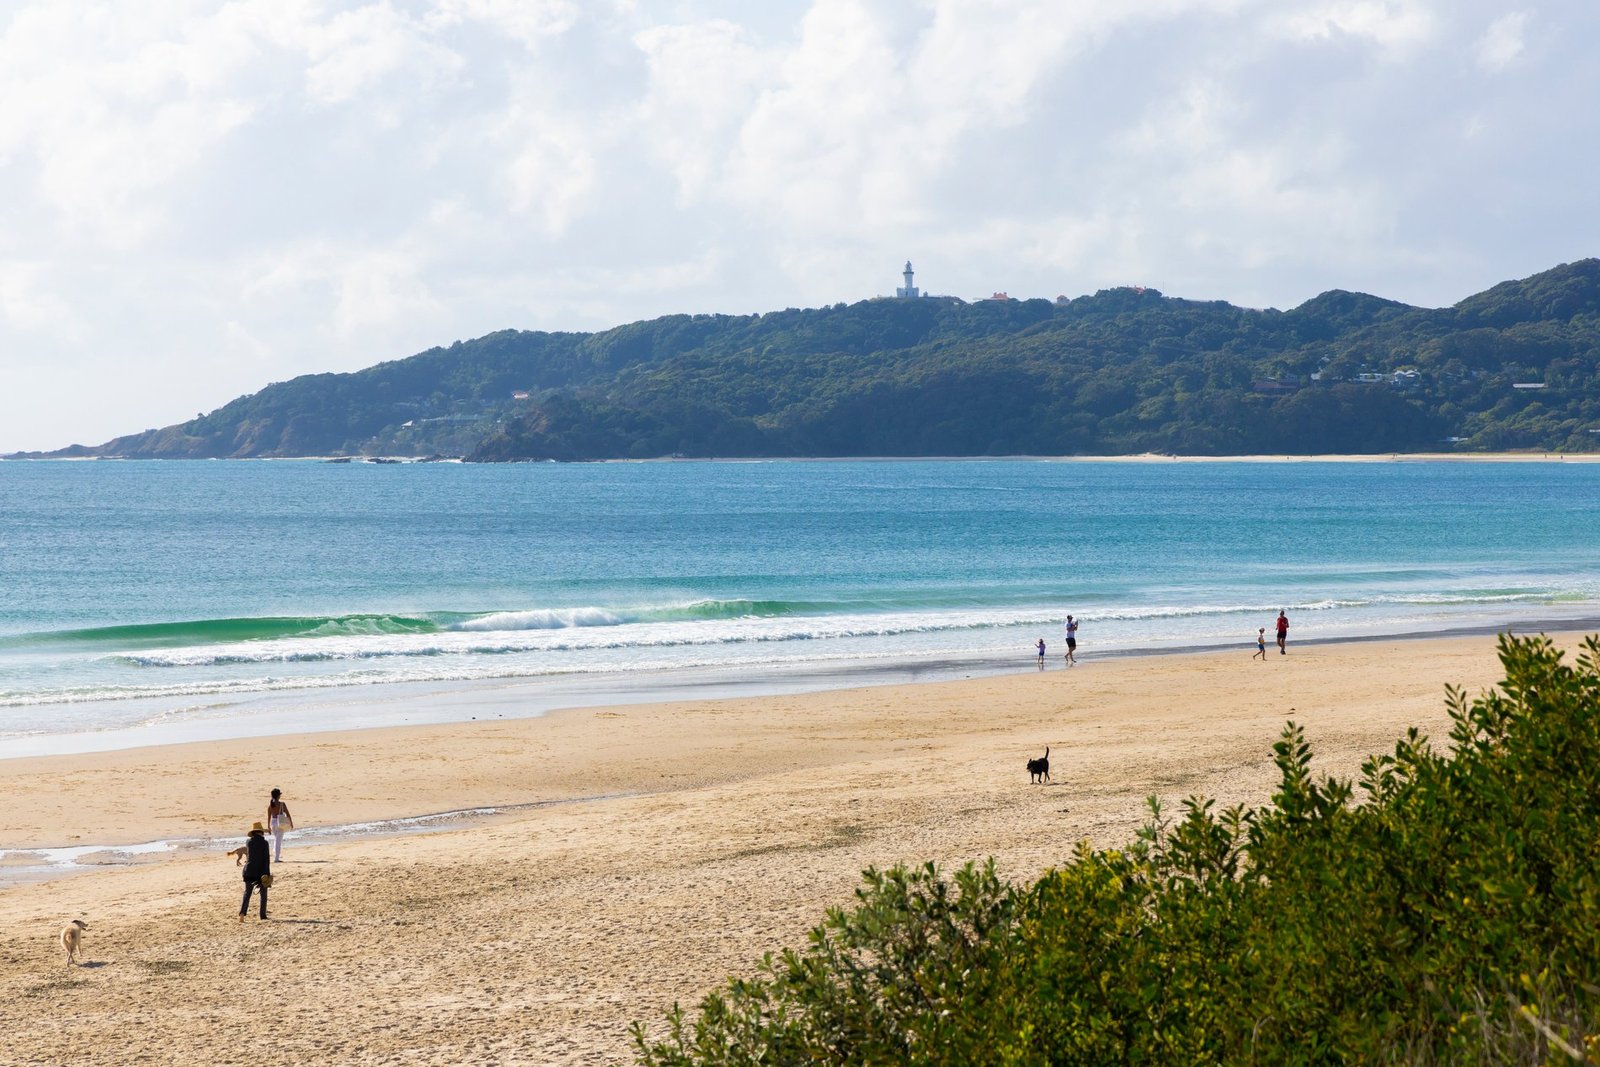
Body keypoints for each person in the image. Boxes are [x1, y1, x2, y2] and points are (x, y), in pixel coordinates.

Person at [239, 822, 271, 922]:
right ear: (261, 832)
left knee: (247, 893)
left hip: (248, 870)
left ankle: (242, 914)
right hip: (260, 871)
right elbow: (266, 860)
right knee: (263, 893)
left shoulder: (249, 842)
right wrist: (267, 875)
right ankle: (262, 915)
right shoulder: (265, 843)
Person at [267, 788, 294, 862]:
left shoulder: (270, 805)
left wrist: (268, 827)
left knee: (276, 840)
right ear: (278, 796)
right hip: (280, 823)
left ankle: (276, 856)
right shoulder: (282, 804)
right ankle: (276, 858)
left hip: (273, 823)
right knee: (278, 841)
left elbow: (269, 817)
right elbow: (288, 814)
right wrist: (291, 823)